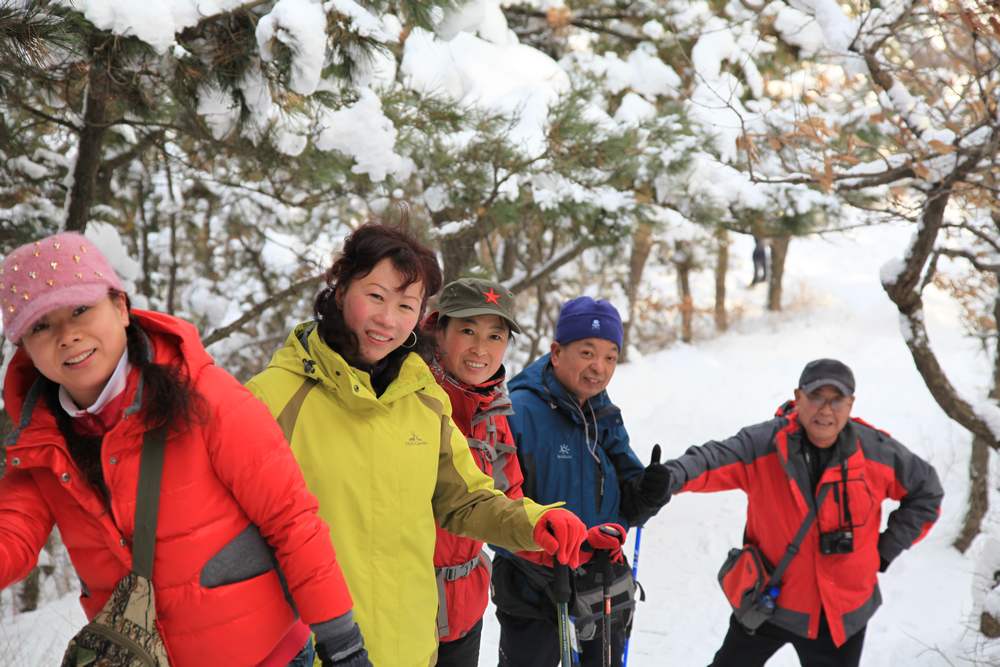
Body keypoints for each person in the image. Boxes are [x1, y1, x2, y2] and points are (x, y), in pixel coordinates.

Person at [0, 232, 369, 666]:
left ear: (120, 308)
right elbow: (13, 536)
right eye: (41, 325)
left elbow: (290, 519)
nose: (67, 335)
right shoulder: (42, 444)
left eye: (81, 309)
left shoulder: (206, 396)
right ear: (24, 347)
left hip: (266, 657)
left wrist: (341, 641)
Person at [245, 223, 590, 667]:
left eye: (405, 304)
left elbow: (465, 500)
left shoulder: (423, 398)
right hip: (313, 652)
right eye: (375, 296)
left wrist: (538, 523)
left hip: (412, 648)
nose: (388, 319)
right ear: (340, 287)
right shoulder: (271, 398)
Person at [662, 358, 944, 667]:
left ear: (850, 403)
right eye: (816, 397)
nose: (826, 409)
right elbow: (711, 460)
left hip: (840, 615)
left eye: (836, 399)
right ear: (798, 398)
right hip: (768, 603)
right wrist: (666, 478)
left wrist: (885, 550)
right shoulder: (764, 444)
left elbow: (927, 491)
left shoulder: (876, 452)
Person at [491, 296, 672, 667]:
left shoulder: (601, 410)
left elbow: (629, 496)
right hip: (534, 588)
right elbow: (494, 510)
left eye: (610, 357)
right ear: (557, 352)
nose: (599, 367)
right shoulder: (518, 412)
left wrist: (649, 493)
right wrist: (545, 550)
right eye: (587, 352)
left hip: (601, 581)